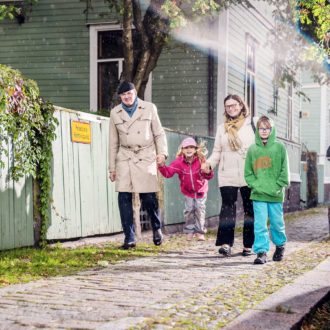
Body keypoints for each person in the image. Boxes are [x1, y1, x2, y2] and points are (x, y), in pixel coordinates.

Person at [108, 81, 168, 249]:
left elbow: (159, 133)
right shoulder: (115, 113)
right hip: (125, 157)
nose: (127, 97)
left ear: (135, 92)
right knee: (124, 198)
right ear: (120, 97)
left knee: (149, 197)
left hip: (145, 156)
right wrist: (112, 168)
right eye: (123, 95)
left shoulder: (149, 108)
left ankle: (156, 228)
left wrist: (162, 153)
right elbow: (113, 142)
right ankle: (129, 236)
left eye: (129, 93)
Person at [201, 94, 255, 256]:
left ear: (241, 105)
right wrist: (209, 164)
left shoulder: (252, 125)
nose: (231, 108)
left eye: (234, 105)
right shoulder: (222, 128)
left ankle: (248, 245)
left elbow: (259, 149)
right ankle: (226, 243)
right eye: (228, 106)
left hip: (249, 174)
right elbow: (217, 152)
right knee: (227, 209)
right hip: (227, 174)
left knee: (250, 210)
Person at [244, 115, 289, 264]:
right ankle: (261, 252)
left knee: (277, 222)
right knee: (260, 224)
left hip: (275, 194)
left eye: (267, 128)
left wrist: (278, 186)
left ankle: (280, 245)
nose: (264, 131)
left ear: (272, 129)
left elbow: (285, 170)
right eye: (261, 128)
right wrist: (255, 185)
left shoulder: (279, 147)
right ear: (257, 130)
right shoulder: (252, 149)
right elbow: (248, 173)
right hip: (258, 194)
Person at [158, 137, 214, 241]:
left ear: (195, 149)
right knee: (189, 210)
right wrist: (161, 166)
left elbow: (209, 176)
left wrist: (208, 171)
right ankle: (189, 231)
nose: (189, 150)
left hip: (201, 190)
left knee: (199, 209)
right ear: (182, 150)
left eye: (191, 147)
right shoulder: (178, 162)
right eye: (186, 148)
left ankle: (199, 231)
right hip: (188, 191)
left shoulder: (201, 160)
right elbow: (168, 173)